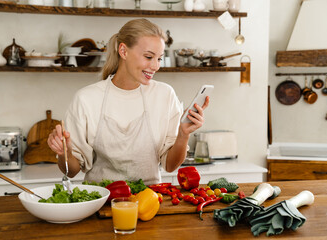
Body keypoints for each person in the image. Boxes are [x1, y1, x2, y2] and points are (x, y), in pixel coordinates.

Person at [47, 18, 209, 185]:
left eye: (159, 58)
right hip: (100, 200)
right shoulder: (86, 99)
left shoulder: (165, 95)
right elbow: (71, 171)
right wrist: (64, 152)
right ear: (123, 51)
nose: (155, 66)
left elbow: (169, 166)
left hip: (150, 201)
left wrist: (184, 134)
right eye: (148, 57)